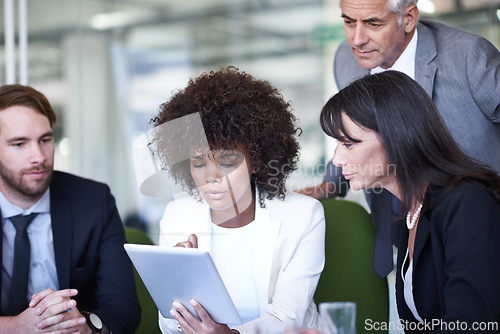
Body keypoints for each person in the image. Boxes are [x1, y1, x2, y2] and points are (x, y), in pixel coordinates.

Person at [299, 0, 500, 277]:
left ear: (408, 18)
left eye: (373, 23)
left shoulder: (468, 57)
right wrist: (328, 186)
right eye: (348, 22)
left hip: (476, 234)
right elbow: (356, 131)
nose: (357, 39)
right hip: (400, 232)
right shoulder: (346, 59)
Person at [320, 70, 500, 332]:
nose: (337, 160)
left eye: (348, 143)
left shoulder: (467, 204)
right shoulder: (412, 211)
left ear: (396, 136)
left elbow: (473, 325)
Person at [151, 66, 325, 334]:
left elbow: (287, 318)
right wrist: (178, 286)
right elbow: (167, 324)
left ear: (256, 160)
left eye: (227, 161)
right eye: (198, 163)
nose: (211, 177)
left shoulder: (303, 215)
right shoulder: (177, 216)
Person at [0, 84, 140, 333]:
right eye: (19, 144)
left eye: (45, 140)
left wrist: (86, 328)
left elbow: (123, 304)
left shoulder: (94, 201)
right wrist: (15, 327)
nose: (39, 157)